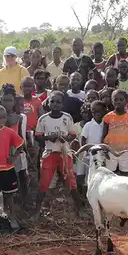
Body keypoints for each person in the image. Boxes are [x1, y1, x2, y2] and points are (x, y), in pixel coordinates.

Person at [34, 91, 81, 219]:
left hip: (64, 153)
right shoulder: (43, 119)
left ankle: (80, 208)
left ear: (62, 104)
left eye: (58, 102)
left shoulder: (67, 117)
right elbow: (37, 137)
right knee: (44, 183)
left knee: (71, 181)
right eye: (52, 101)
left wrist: (65, 137)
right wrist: (49, 137)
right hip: (49, 153)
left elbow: (73, 134)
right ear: (48, 103)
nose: (55, 104)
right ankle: (37, 211)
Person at [102, 89, 128, 173]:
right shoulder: (108, 117)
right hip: (110, 150)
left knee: (126, 175)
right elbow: (104, 135)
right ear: (112, 101)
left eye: (121, 99)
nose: (118, 102)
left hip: (125, 151)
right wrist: (104, 152)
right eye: (116, 99)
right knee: (110, 174)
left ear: (126, 101)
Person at [21, 77, 44, 197]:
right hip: (19, 137)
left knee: (33, 163)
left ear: (33, 88)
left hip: (33, 136)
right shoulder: (18, 101)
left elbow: (42, 118)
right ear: (21, 88)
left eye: (29, 86)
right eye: (24, 86)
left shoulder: (37, 101)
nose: (27, 89)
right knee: (21, 163)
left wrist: (38, 132)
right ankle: (22, 190)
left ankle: (33, 191)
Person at [78, 100, 105, 189]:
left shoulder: (105, 124)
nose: (97, 113)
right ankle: (86, 196)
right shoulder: (88, 125)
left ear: (104, 111)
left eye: (99, 111)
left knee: (100, 175)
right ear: (91, 112)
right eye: (94, 112)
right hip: (89, 155)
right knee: (89, 176)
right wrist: (88, 151)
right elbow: (83, 140)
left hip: (102, 155)